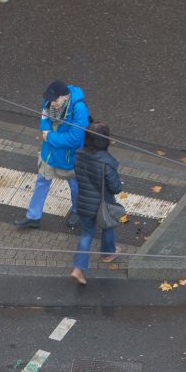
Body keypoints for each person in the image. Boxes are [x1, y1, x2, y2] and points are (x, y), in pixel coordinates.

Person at [14, 79, 90, 229]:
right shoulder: (49, 101)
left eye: (55, 100)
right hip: (49, 153)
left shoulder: (79, 108)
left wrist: (49, 136)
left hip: (68, 157)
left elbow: (75, 139)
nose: (52, 103)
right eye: (50, 100)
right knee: (42, 181)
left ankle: (77, 211)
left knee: (75, 185)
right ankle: (33, 217)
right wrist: (46, 131)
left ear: (65, 96)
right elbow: (44, 120)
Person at [70, 122, 122, 285]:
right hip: (103, 204)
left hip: (84, 202)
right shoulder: (107, 162)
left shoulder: (78, 154)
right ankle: (108, 253)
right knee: (108, 226)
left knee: (86, 234)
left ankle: (78, 268)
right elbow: (115, 188)